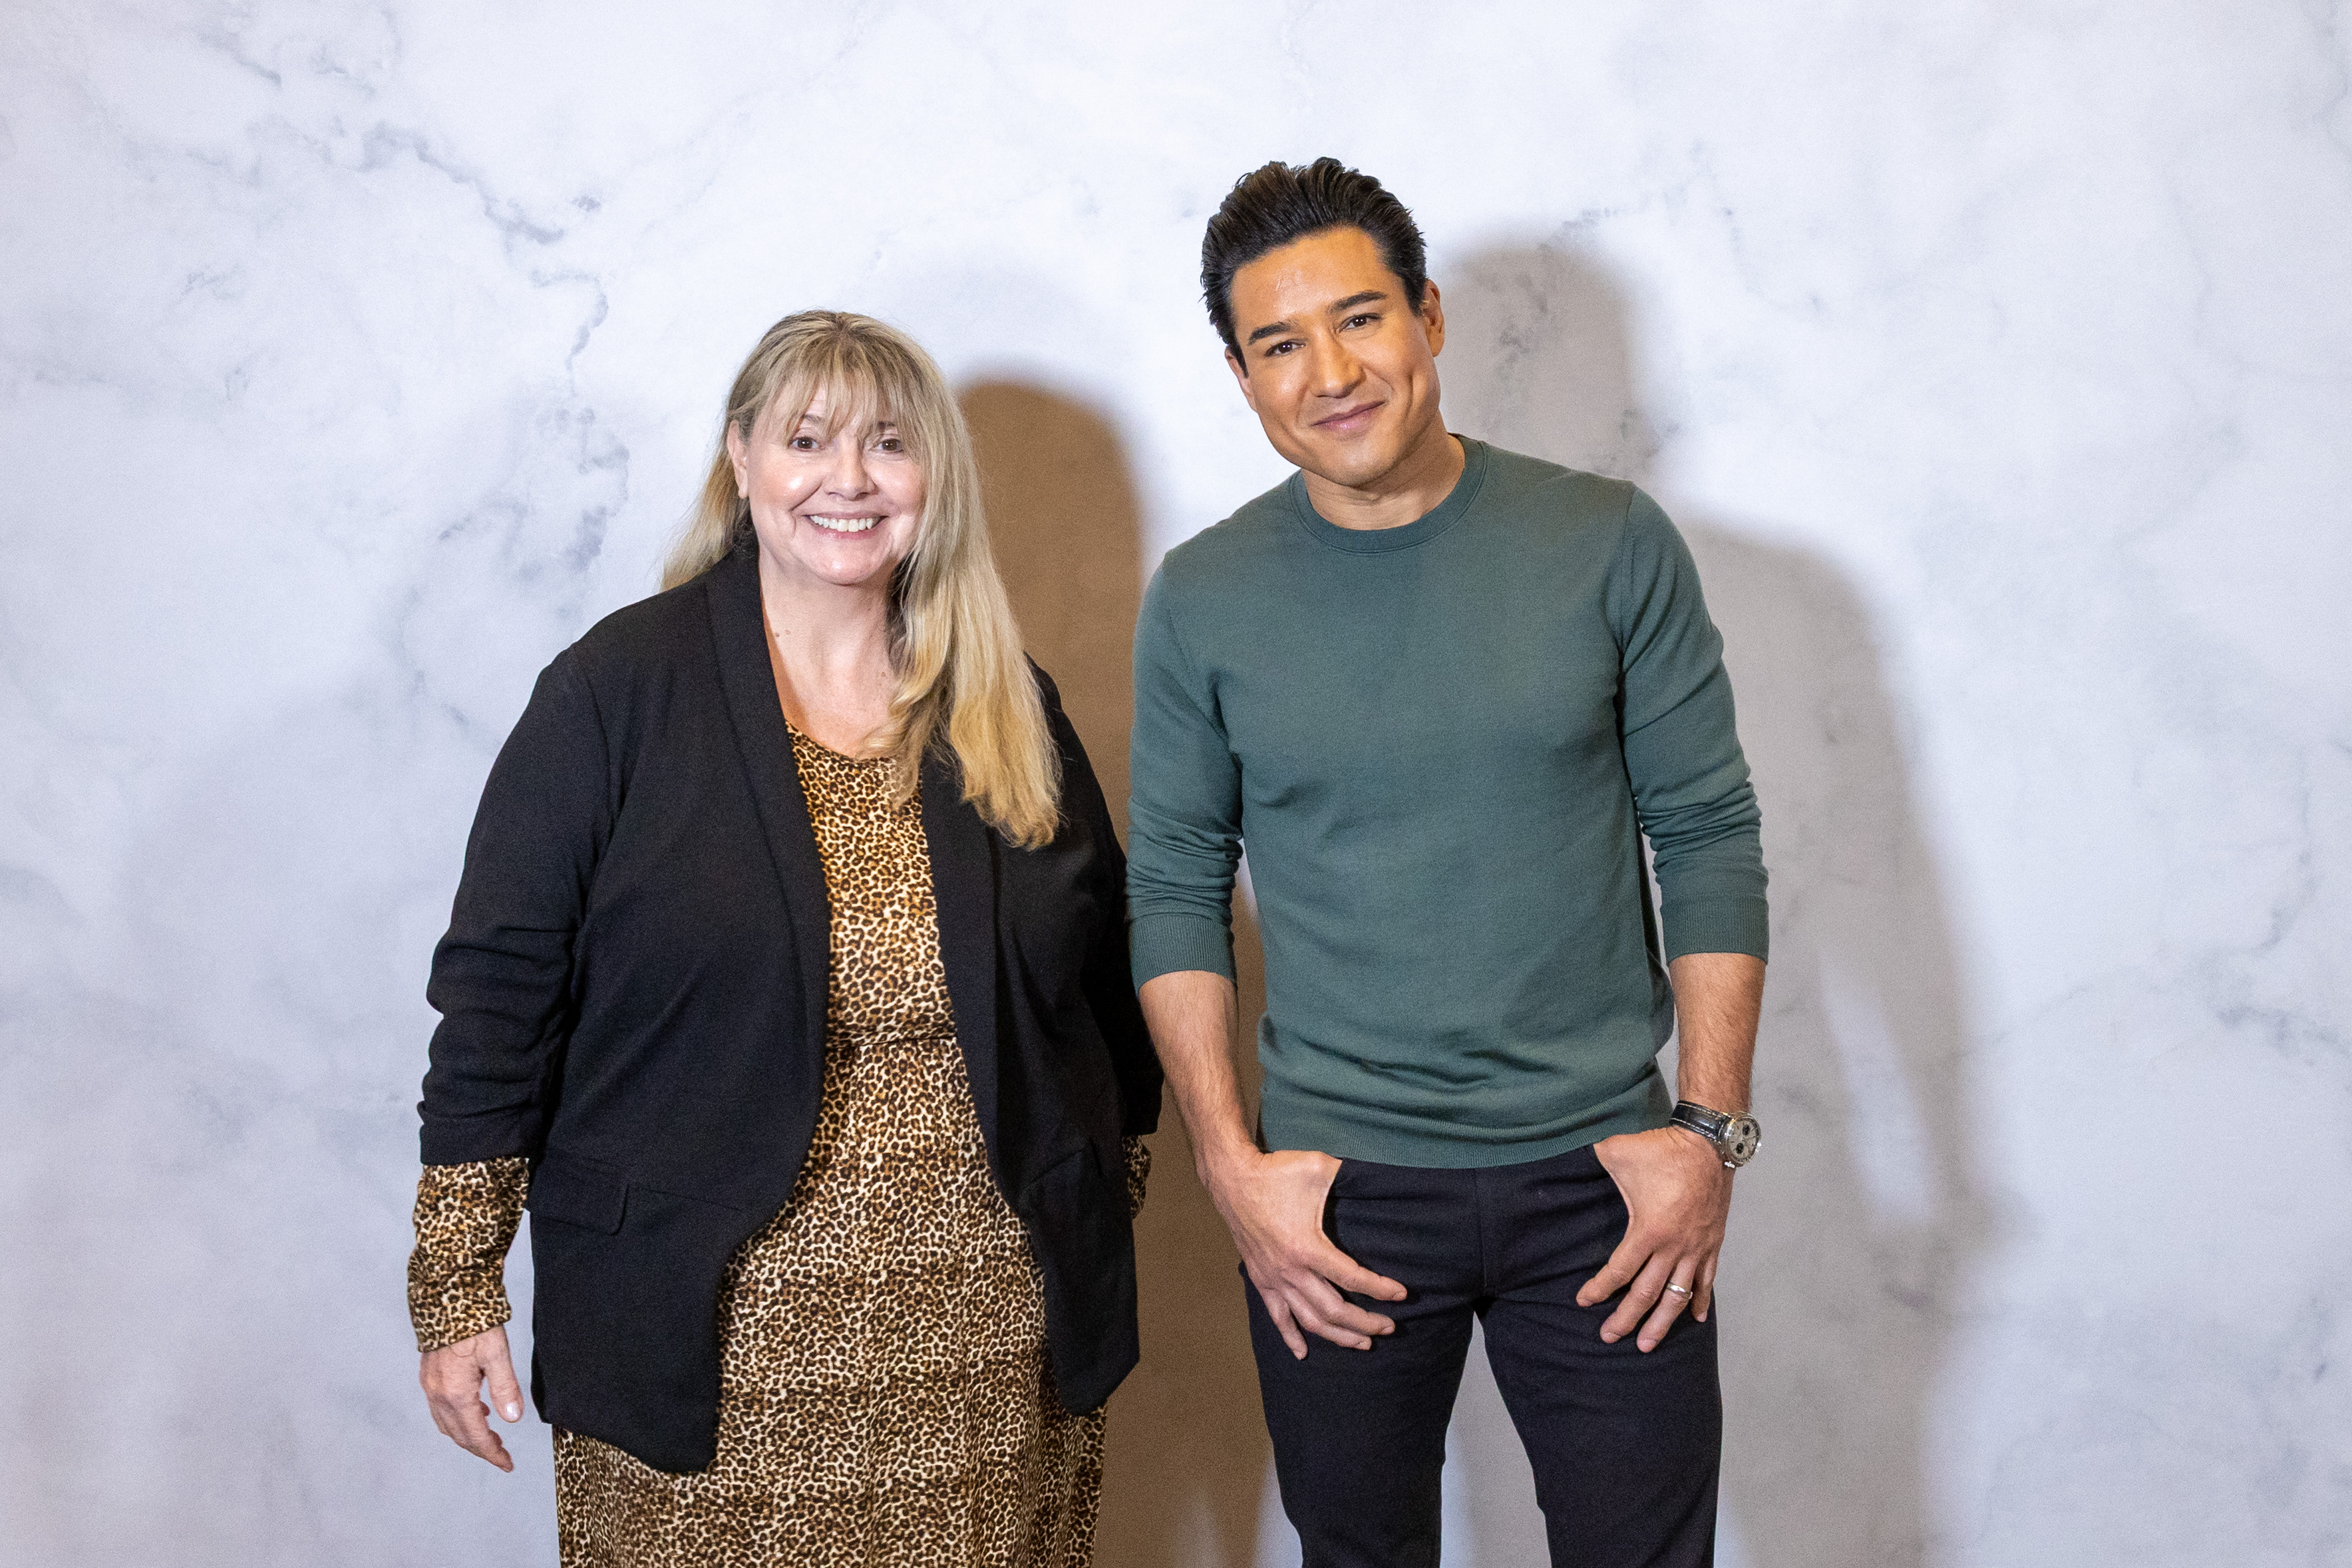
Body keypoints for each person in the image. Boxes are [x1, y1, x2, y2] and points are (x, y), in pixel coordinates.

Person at [405, 310, 1160, 1567]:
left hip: (986, 1341)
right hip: (706, 1341)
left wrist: (1092, 1200)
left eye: (889, 444)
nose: (848, 478)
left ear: (934, 477)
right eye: (807, 440)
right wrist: (456, 1280)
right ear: (741, 459)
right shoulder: (616, 692)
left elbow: (1107, 979)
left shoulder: (1004, 701)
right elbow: (497, 1001)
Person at [1127, 159, 1770, 1567]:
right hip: (1336, 1194)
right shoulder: (1204, 596)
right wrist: (1233, 1169)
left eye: (1359, 319)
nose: (1329, 373)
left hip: (1605, 1180)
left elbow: (1708, 833)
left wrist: (1706, 1134)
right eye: (1279, 344)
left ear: (1426, 316)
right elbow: (1172, 885)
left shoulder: (1607, 543)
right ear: (1240, 376)